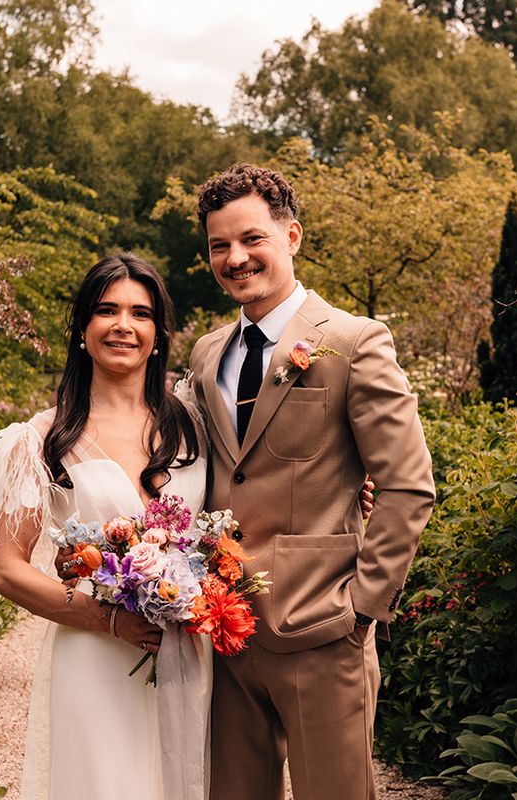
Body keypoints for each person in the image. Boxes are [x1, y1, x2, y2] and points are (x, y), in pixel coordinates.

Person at [189, 163, 435, 800]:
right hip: (226, 629)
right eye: (220, 245)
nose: (235, 258)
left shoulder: (354, 342)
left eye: (252, 239)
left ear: (291, 236)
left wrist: (361, 610)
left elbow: (407, 484)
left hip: (324, 630)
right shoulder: (207, 353)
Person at [0, 253, 209, 800]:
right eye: (107, 310)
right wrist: (106, 621)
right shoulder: (39, 439)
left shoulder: (196, 425)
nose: (123, 325)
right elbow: (5, 570)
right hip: (95, 654)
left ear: (159, 333)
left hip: (189, 653)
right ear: (83, 329)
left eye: (141, 313)